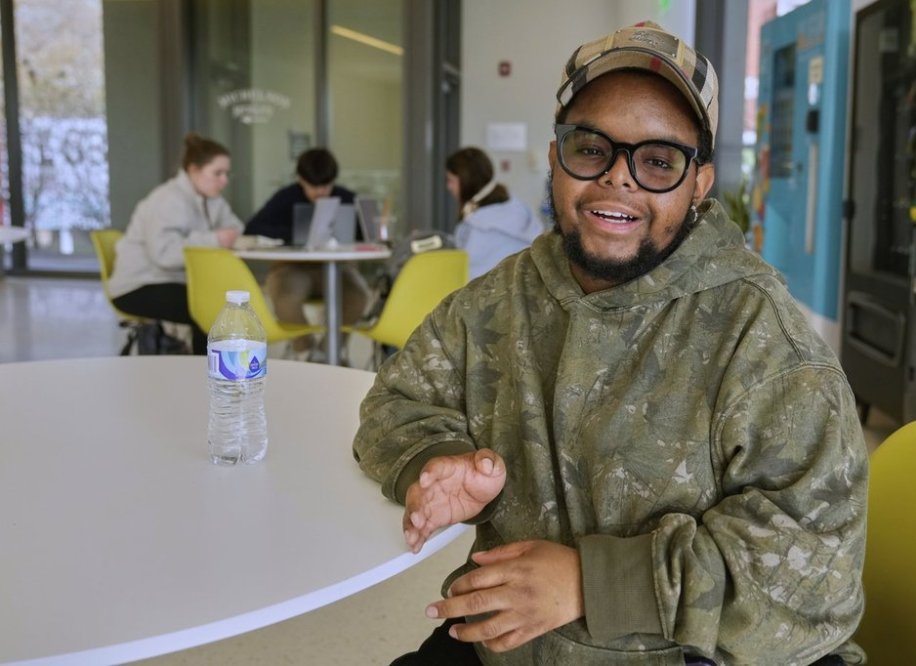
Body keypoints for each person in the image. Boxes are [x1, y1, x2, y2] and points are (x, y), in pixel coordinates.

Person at [354, 21, 867, 666]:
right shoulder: (500, 299)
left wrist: (590, 584)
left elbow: (817, 577)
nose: (619, 179)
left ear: (699, 184)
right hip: (511, 648)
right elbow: (396, 401)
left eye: (658, 160)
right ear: (555, 157)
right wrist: (438, 459)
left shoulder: (762, 341)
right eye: (592, 148)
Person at [108, 132, 242, 355]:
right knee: (210, 307)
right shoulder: (168, 200)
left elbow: (235, 228)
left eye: (227, 173)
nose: (224, 181)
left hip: (170, 282)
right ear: (193, 170)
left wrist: (222, 235)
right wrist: (214, 239)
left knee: (218, 300)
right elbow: (165, 256)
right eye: (217, 173)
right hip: (138, 286)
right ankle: (209, 374)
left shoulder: (211, 199)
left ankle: (212, 370)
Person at [244, 147, 371, 361]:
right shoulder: (285, 198)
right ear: (300, 180)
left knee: (358, 296)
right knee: (284, 297)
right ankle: (305, 351)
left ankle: (325, 353)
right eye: (313, 187)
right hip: (292, 267)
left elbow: (365, 236)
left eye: (326, 186)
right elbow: (253, 228)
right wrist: (295, 233)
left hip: (336, 268)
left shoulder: (347, 198)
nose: (320, 192)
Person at [445, 147, 545, 280]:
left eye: (451, 180)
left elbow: (468, 282)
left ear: (465, 181)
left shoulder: (479, 228)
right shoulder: (517, 207)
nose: (449, 187)